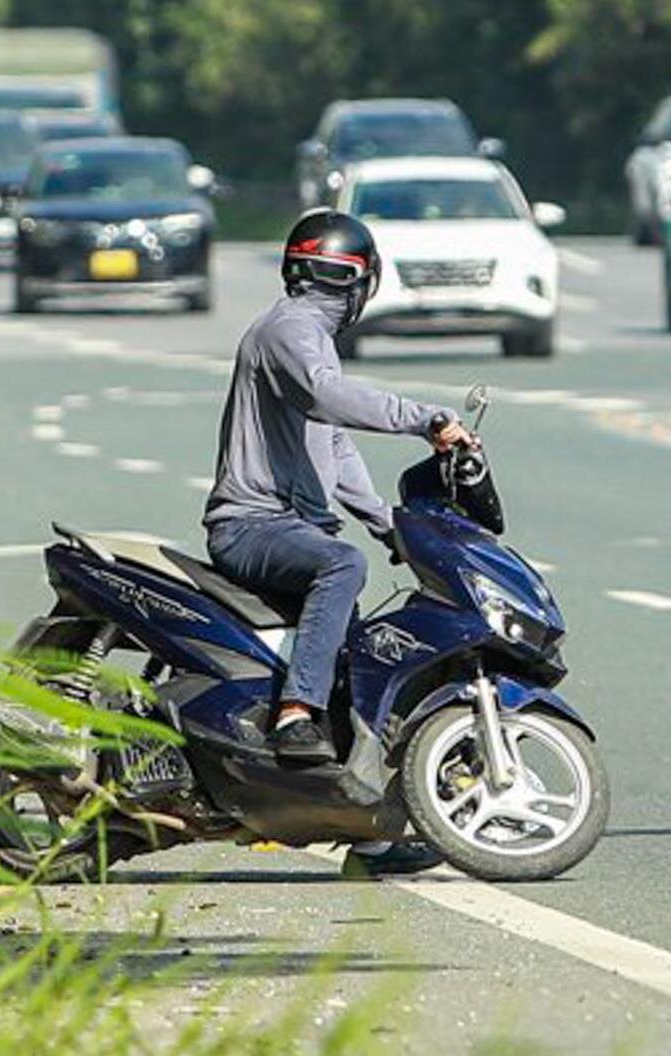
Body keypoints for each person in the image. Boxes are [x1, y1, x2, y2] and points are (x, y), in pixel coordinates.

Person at [202, 210, 468, 875]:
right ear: (360, 283)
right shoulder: (292, 331)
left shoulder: (303, 334)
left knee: (358, 659)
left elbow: (335, 446)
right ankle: (295, 714)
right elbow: (331, 400)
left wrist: (391, 525)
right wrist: (424, 420)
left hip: (289, 527)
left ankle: (365, 827)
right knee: (340, 565)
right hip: (252, 525)